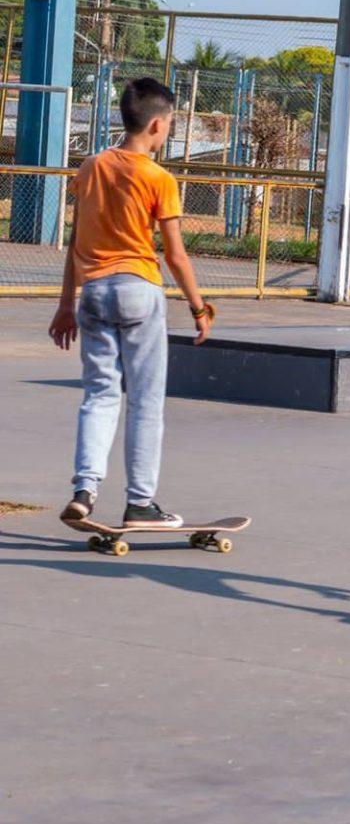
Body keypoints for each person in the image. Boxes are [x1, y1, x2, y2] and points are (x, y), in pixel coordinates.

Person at [49, 77, 215, 529]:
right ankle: (140, 502)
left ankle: (84, 490)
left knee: (100, 395)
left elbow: (75, 242)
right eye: (171, 126)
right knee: (144, 400)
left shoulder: (91, 168)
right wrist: (199, 308)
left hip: (94, 294)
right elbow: (175, 254)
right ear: (158, 125)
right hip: (138, 290)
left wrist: (65, 305)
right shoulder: (158, 178)